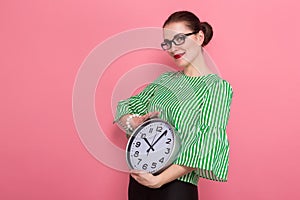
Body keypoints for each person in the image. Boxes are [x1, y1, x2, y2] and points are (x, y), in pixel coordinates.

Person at [114, 10, 233, 200]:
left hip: (176, 187)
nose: (172, 48)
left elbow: (206, 145)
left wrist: (159, 180)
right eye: (167, 43)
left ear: (199, 37)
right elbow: (127, 106)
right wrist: (133, 123)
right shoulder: (165, 81)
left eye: (178, 39)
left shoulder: (216, 87)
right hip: (140, 180)